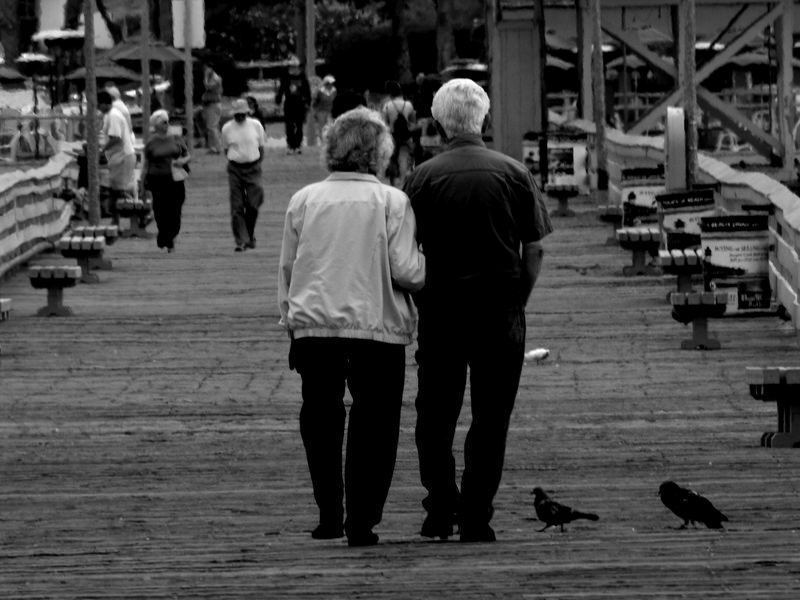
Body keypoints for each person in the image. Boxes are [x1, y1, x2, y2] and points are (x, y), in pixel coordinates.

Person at [403, 78, 553, 543]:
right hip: (500, 310)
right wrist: (518, 299)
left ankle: (439, 507)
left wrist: (419, 299)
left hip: (441, 311)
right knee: (491, 418)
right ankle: (475, 515)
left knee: (435, 416)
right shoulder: (514, 173)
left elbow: (404, 252)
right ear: (483, 119)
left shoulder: (422, 178)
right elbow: (535, 250)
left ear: (439, 123)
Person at [278, 107, 425, 547]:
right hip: (376, 328)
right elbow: (407, 272)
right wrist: (426, 265)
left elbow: (288, 269)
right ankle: (361, 520)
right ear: (379, 153)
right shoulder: (392, 202)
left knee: (320, 420)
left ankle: (329, 514)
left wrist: (290, 320)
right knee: (375, 423)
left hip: (315, 328)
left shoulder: (304, 200)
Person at [221, 98, 267, 252]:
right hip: (235, 169)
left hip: (253, 167)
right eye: (237, 114)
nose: (240, 116)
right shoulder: (227, 128)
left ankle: (249, 234)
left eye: (242, 114)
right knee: (237, 207)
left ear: (247, 113)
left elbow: (261, 148)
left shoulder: (256, 125)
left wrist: (255, 162)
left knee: (254, 202)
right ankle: (241, 241)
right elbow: (226, 149)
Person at [143, 109, 190, 253]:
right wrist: (142, 181)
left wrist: (182, 161)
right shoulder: (151, 142)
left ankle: (170, 236)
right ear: (156, 125)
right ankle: (166, 238)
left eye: (167, 122)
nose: (167, 124)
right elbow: (146, 163)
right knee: (160, 210)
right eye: (163, 122)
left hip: (175, 177)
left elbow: (187, 154)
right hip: (157, 178)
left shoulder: (176, 137)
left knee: (175, 209)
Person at [98, 89, 136, 225]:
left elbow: (115, 138)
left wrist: (102, 150)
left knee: (118, 191)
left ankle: (138, 209)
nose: (98, 108)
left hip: (122, 157)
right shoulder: (109, 115)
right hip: (118, 157)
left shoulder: (113, 116)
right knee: (115, 190)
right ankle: (116, 220)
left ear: (104, 103)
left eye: (98, 105)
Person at [381, 80, 415, 187]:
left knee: (392, 158)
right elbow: (413, 122)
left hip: (392, 136)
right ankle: (402, 181)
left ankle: (392, 182)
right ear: (401, 93)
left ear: (391, 94)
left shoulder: (387, 105)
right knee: (403, 158)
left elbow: (384, 123)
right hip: (405, 135)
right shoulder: (408, 105)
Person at [276, 64, 311, 154]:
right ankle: (290, 145)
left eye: (296, 67)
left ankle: (298, 145)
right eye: (292, 67)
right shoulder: (286, 78)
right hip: (289, 104)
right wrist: (278, 100)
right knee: (289, 126)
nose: (294, 69)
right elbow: (281, 90)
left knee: (299, 126)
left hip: (300, 104)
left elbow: (307, 91)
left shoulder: (303, 78)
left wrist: (308, 102)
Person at [201, 65, 223, 154]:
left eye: (206, 68)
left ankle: (217, 147)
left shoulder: (215, 78)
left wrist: (205, 77)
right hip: (210, 104)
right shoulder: (212, 77)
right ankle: (212, 147)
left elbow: (208, 86)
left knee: (212, 127)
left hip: (214, 104)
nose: (205, 70)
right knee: (211, 127)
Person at [311, 74, 337, 140]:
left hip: (329, 111)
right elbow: (314, 99)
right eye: (329, 83)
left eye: (332, 83)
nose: (331, 84)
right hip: (320, 110)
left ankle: (329, 138)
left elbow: (333, 99)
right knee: (321, 126)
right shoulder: (320, 90)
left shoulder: (334, 90)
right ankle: (321, 139)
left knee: (330, 126)